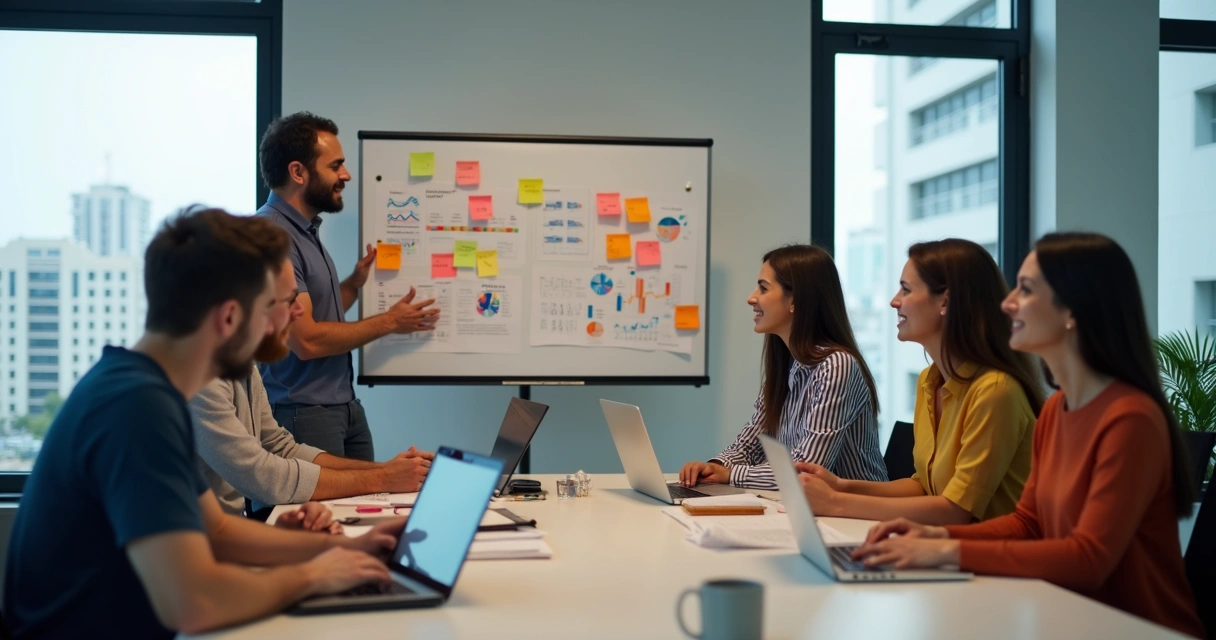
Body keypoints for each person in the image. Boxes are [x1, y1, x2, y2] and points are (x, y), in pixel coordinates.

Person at [3, 209, 402, 638]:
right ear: (229, 318)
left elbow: (217, 530)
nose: (289, 319)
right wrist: (316, 575)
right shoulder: (138, 409)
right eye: (280, 305)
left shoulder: (139, 387)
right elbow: (195, 603)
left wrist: (345, 547)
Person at [852, 233, 1204, 638]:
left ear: (1072, 310)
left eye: (1027, 290)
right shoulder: (1057, 409)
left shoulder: (1131, 418)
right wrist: (934, 535)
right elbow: (1027, 523)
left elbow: (1089, 559)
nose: (1007, 303)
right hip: (1063, 616)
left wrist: (946, 550)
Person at [798, 239, 1043, 524]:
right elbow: (923, 486)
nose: (894, 300)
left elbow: (956, 511)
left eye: (906, 288)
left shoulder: (995, 391)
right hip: (949, 549)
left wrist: (836, 503)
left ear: (945, 302)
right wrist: (842, 486)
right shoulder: (930, 379)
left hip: (992, 560)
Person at [191, 256, 434, 521]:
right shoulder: (200, 378)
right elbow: (263, 476)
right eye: (289, 300)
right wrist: (383, 477)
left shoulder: (244, 364)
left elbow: (278, 446)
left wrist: (388, 471)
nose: (300, 312)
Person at [255, 112, 440, 460]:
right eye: (335, 165)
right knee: (324, 514)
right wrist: (390, 322)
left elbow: (313, 310)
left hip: (342, 406)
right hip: (304, 413)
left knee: (360, 508)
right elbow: (306, 339)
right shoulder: (274, 235)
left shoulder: (304, 230)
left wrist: (353, 285)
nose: (346, 175)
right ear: (298, 172)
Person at [678, 245, 886, 491]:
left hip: (858, 518)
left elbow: (806, 469)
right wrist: (714, 466)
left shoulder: (836, 365)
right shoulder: (788, 363)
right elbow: (750, 442)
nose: (751, 297)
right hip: (810, 510)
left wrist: (730, 474)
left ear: (794, 301)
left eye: (763, 288)